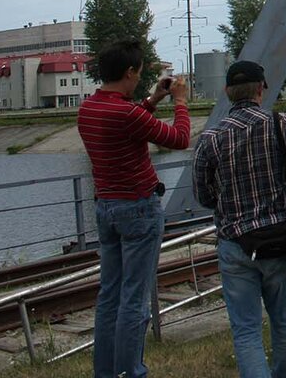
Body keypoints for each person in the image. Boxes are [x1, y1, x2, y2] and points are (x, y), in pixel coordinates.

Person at [193, 60, 286, 378]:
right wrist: (280, 179)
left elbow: (203, 196)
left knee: (246, 331)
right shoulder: (281, 124)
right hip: (280, 239)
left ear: (227, 93)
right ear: (261, 89)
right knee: (284, 319)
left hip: (235, 245)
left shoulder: (210, 139)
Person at [77, 40, 190, 378]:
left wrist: (153, 99)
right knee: (135, 299)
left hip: (106, 208)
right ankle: (131, 372)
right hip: (139, 209)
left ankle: (107, 372)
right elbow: (179, 139)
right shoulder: (126, 113)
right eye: (139, 73)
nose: (140, 79)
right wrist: (180, 102)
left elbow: (130, 121)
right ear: (129, 72)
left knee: (109, 294)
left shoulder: (89, 108)